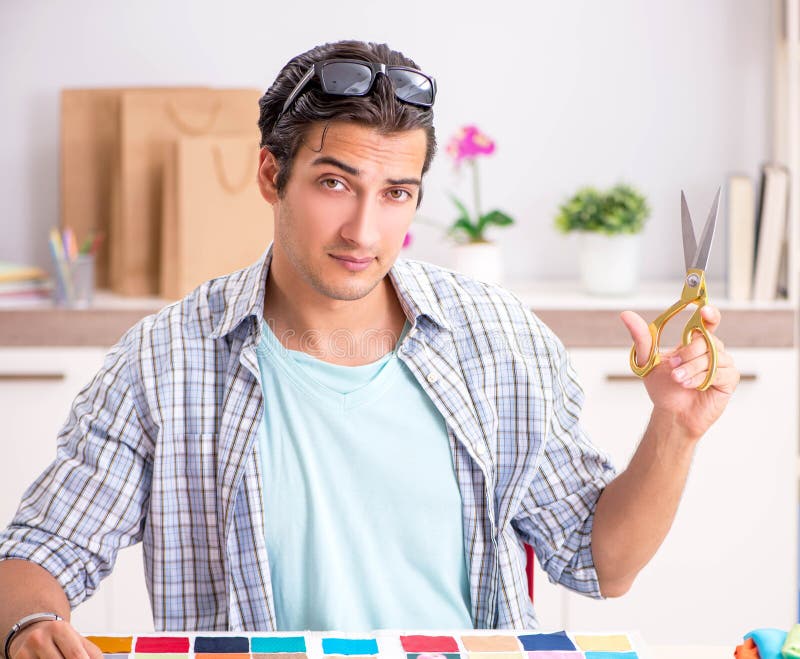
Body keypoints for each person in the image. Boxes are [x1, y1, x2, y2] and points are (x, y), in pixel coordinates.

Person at [0, 39, 739, 659]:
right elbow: (36, 555)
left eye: (395, 193)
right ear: (270, 175)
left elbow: (601, 561)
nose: (364, 229)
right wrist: (30, 624)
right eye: (334, 182)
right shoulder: (162, 361)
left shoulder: (502, 341)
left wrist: (675, 426)